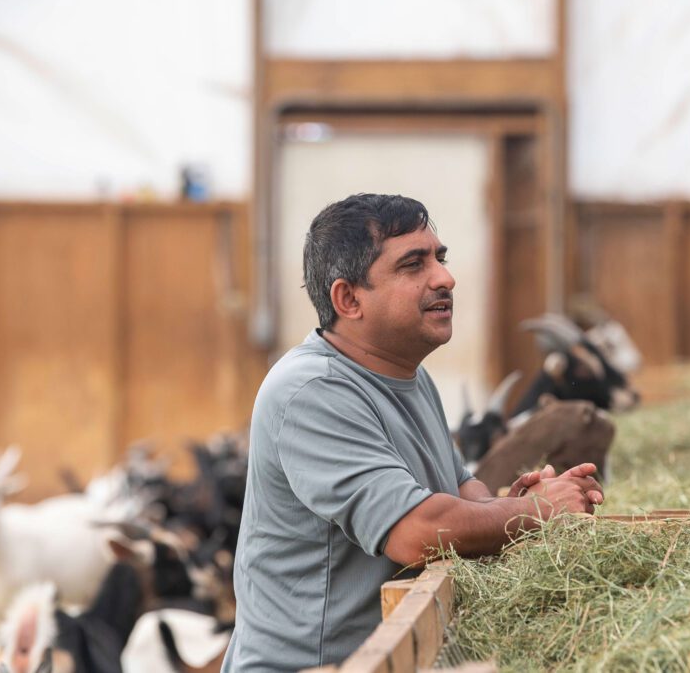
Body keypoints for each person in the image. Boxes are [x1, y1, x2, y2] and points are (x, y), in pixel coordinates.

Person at [222, 193, 603, 672]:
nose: (445, 277)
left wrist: (511, 504)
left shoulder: (408, 374)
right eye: (412, 264)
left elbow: (460, 488)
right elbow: (416, 533)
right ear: (348, 299)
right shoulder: (311, 391)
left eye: (439, 258)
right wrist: (535, 513)